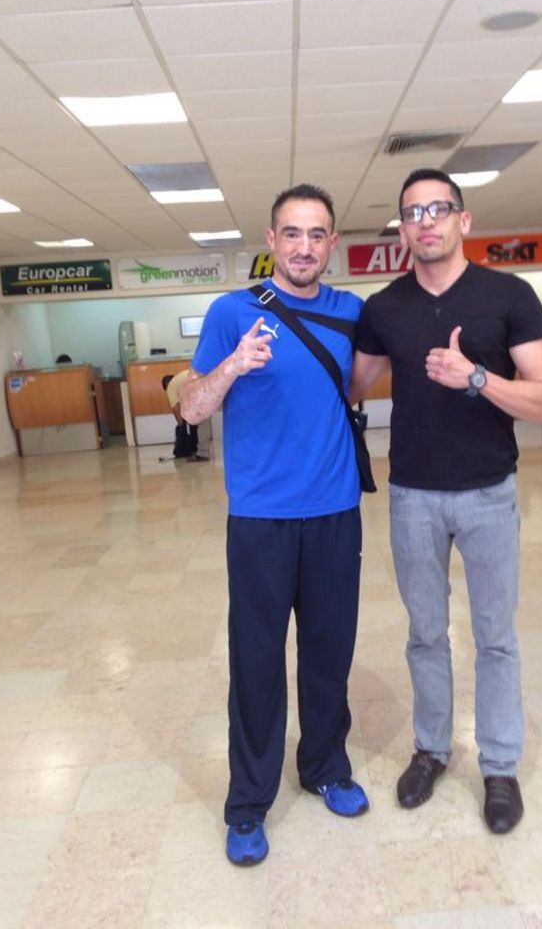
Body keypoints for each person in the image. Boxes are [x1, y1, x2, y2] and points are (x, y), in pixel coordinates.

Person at [350, 168, 542, 835]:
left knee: (495, 637)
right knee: (425, 634)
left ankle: (499, 767)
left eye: (438, 209)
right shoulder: (385, 308)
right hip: (413, 496)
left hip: (488, 492)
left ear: (463, 220)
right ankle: (432, 750)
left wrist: (475, 378)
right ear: (402, 230)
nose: (426, 222)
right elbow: (351, 387)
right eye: (413, 213)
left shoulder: (508, 295)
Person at [180, 183, 369, 867]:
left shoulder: (351, 312)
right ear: (270, 241)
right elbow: (191, 408)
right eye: (292, 233)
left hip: (335, 513)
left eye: (317, 234)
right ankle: (248, 802)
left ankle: (324, 767)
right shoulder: (232, 312)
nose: (304, 247)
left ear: (332, 243)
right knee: (257, 661)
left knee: (328, 652)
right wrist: (233, 366)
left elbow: (359, 385)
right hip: (260, 519)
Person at [162, 370, 199, 458]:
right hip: (202, 384)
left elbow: (175, 408)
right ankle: (196, 449)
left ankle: (201, 452)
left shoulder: (171, 386)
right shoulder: (180, 381)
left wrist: (180, 425)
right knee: (195, 423)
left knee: (198, 423)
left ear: (166, 385)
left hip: (199, 391)